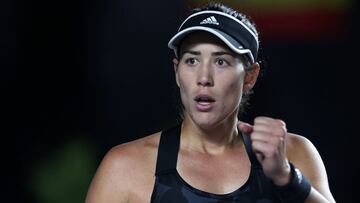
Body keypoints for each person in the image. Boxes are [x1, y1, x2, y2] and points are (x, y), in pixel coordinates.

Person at [86, 3, 335, 203]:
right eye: (192, 61)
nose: (204, 78)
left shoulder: (294, 154)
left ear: (250, 76)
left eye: (221, 62)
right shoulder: (126, 167)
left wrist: (287, 178)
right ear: (176, 71)